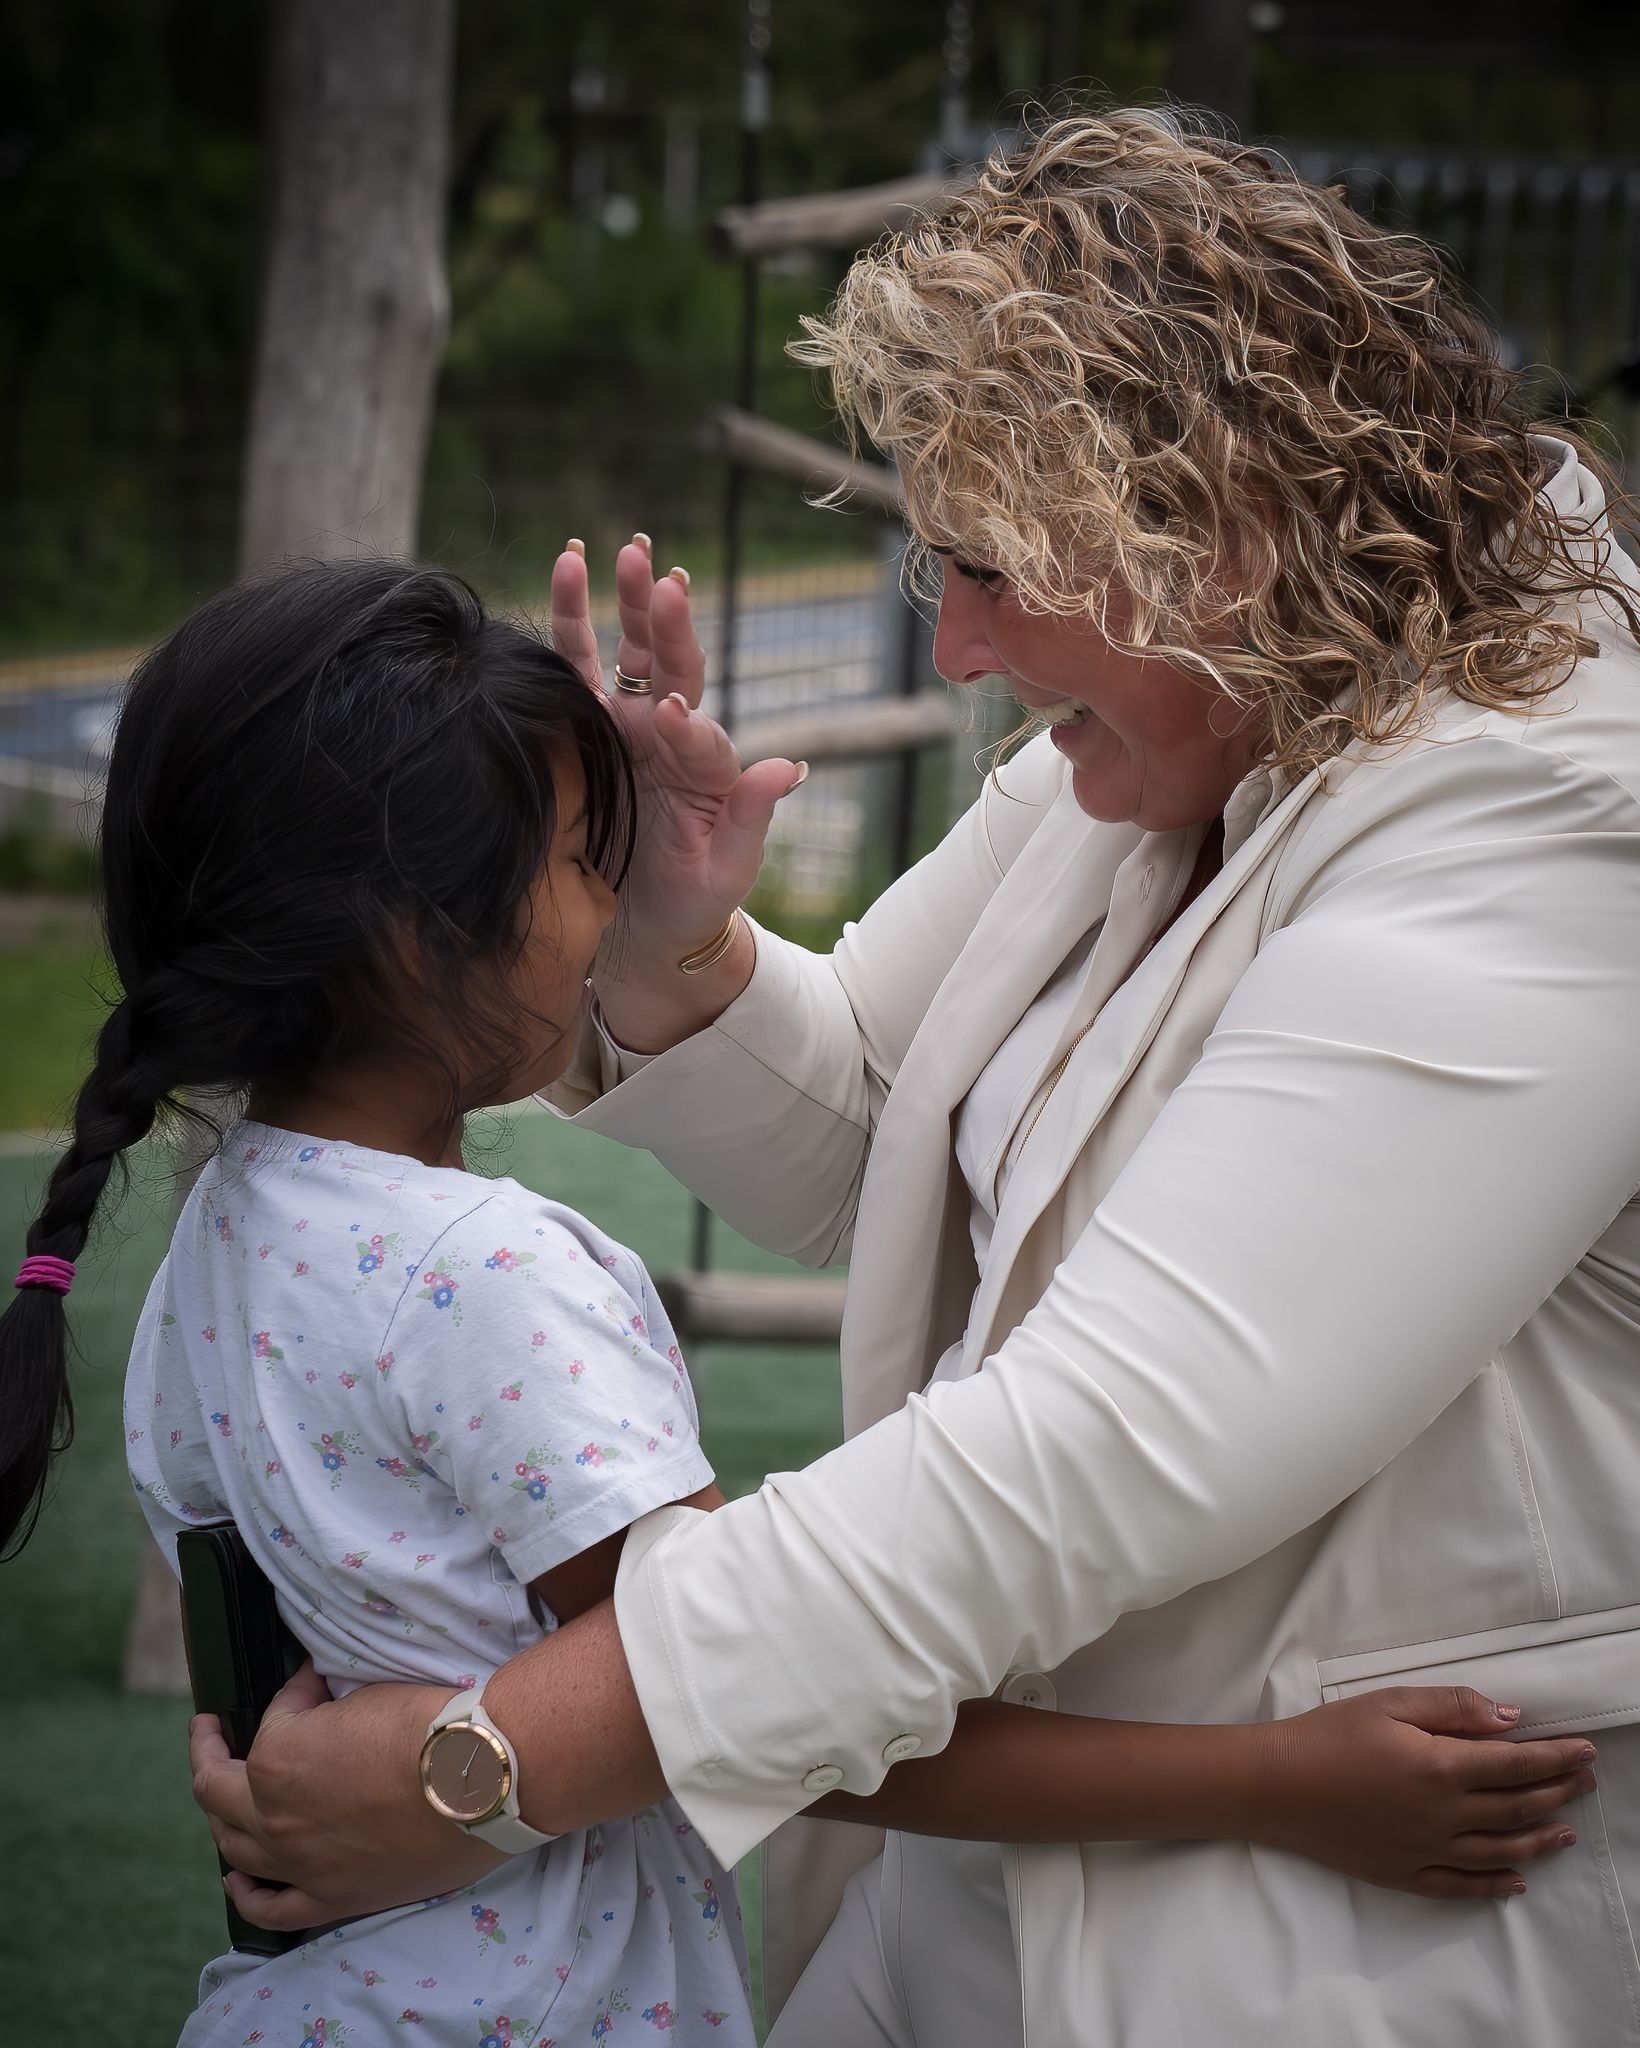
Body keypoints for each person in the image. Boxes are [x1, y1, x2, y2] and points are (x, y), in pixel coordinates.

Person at [183, 111, 1640, 2046]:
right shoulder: (1234, 689)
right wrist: (680, 948)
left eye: (985, 568)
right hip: (992, 1887)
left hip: (1339, 1950)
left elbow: (1095, 1448)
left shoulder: (1542, 819)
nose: (953, 645)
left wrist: (479, 1766)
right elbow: (914, 1155)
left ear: (1220, 529)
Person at [0, 560, 1586, 2047]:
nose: (607, 891)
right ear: (423, 937)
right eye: (573, 857)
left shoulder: (212, 1243)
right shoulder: (486, 1282)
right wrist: (1275, 1783)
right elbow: (762, 1703)